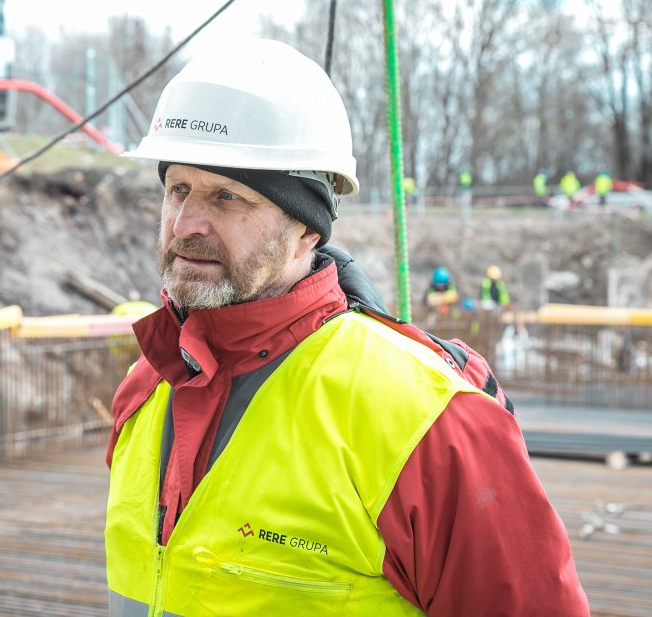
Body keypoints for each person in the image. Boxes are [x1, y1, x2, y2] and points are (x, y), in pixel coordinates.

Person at [104, 38, 588, 616]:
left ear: (307, 229)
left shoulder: (428, 420)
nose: (185, 223)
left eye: (227, 196)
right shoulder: (148, 383)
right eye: (177, 189)